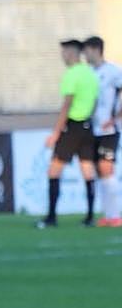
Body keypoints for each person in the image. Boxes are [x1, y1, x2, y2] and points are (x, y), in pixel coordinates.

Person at [37, 39, 99, 228]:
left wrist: (56, 133)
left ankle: (51, 217)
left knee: (54, 170)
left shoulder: (71, 74)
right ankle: (89, 217)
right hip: (88, 127)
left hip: (72, 127)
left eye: (64, 52)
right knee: (87, 170)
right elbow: (95, 102)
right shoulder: (90, 73)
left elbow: (67, 104)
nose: (62, 56)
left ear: (72, 53)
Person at [84, 36, 122, 226]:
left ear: (96, 50)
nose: (85, 55)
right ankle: (108, 215)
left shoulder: (114, 71)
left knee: (107, 169)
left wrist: (115, 118)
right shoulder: (88, 73)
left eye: (87, 51)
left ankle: (116, 214)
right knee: (99, 171)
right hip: (91, 130)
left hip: (109, 130)